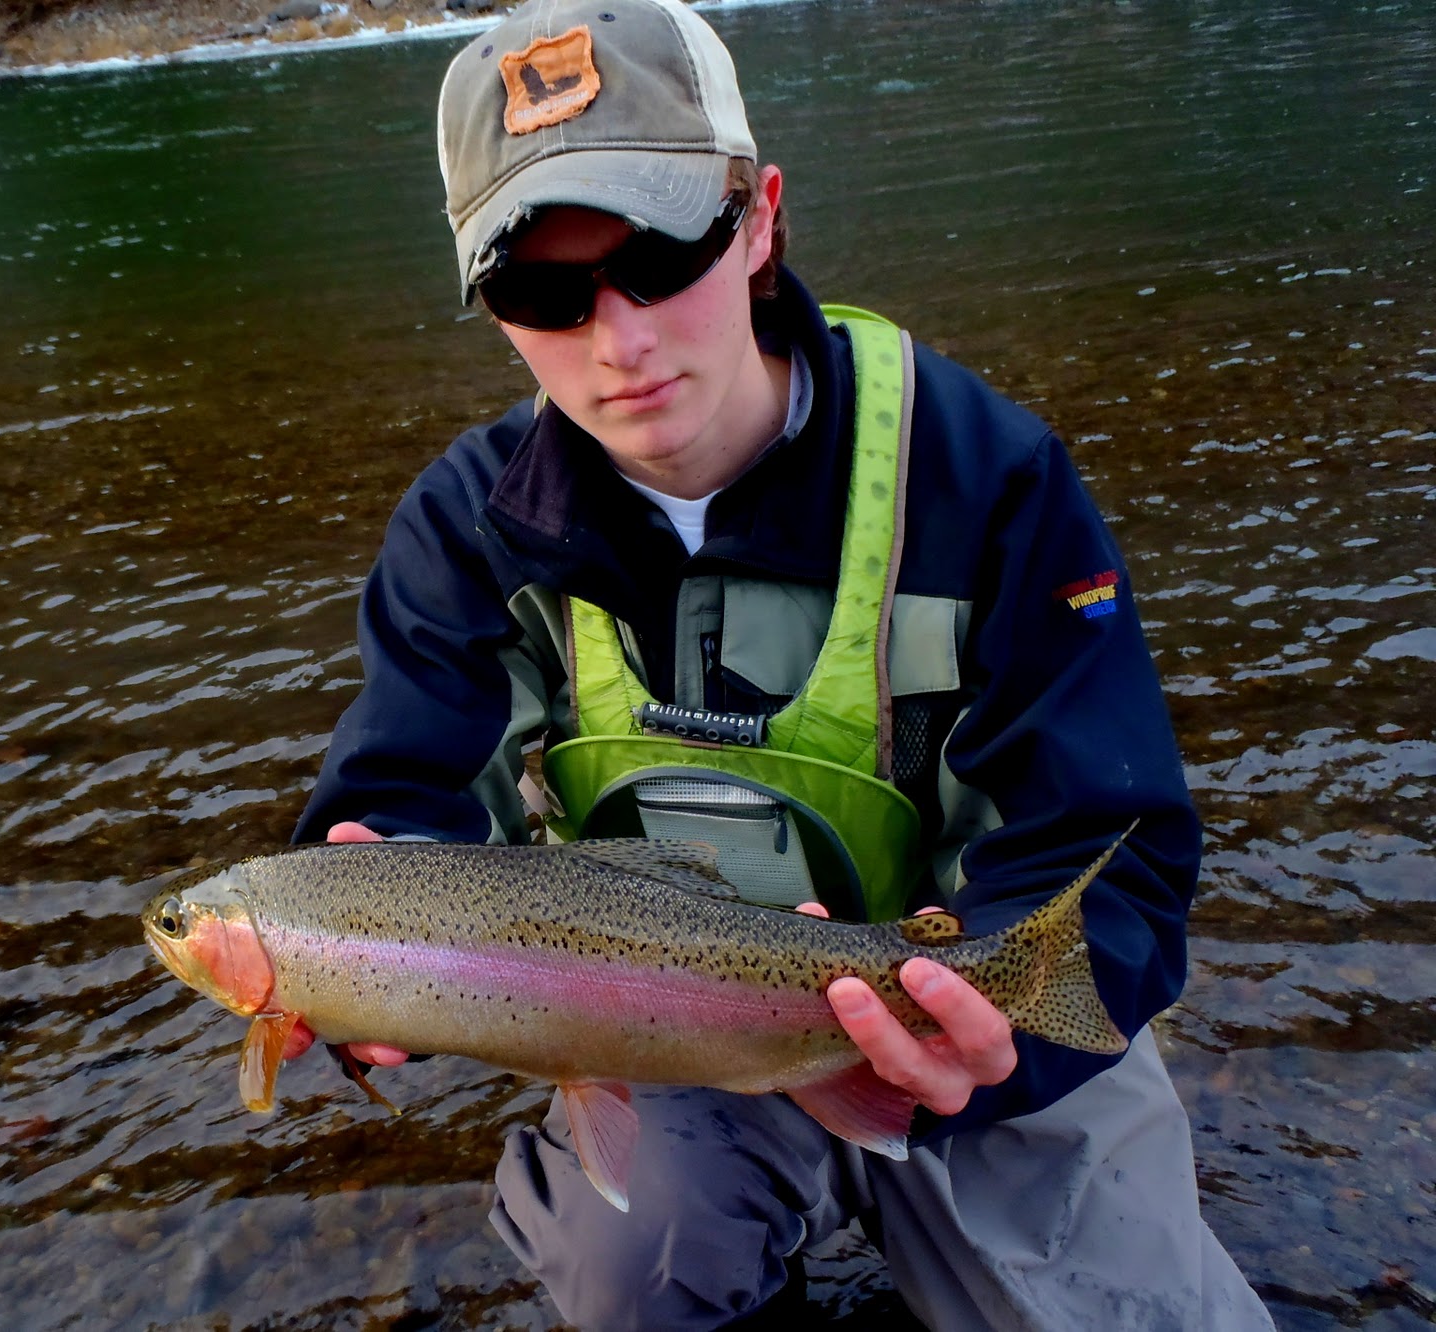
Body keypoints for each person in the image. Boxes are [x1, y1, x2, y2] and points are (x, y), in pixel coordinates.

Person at [290, 0, 1275, 1326]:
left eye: (664, 252)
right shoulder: (464, 530)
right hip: (671, 1038)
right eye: (542, 292)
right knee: (633, 1279)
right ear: (490, 307)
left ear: (759, 219)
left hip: (961, 1031)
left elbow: (1119, 852)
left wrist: (995, 1027)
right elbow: (405, 805)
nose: (618, 338)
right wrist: (356, 959)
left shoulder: (986, 477)